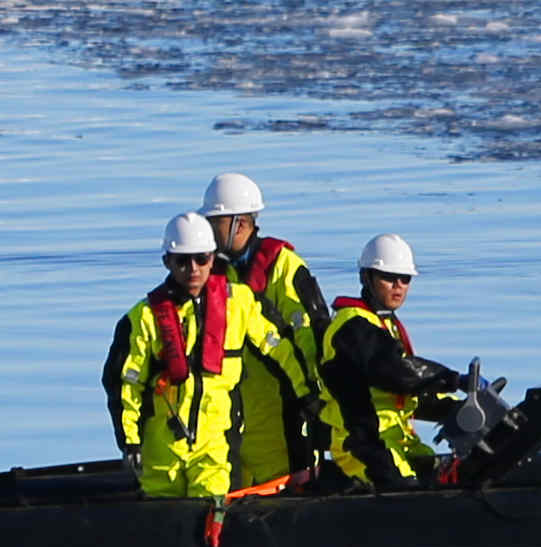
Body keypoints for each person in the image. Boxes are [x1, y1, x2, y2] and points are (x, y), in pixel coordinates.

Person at [108, 215, 320, 505]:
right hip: (161, 450)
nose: (192, 269)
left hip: (214, 445)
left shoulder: (240, 303)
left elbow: (280, 350)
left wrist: (307, 395)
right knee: (162, 519)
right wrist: (129, 440)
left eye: (200, 259)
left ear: (212, 259)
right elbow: (125, 385)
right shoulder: (143, 318)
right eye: (183, 261)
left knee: (212, 512)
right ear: (167, 262)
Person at [199, 172, 332, 490]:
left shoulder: (283, 267)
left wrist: (314, 399)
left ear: (239, 223)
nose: (209, 233)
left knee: (282, 485)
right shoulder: (212, 272)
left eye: (215, 223)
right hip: (235, 409)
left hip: (282, 408)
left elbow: (310, 337)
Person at [321, 233, 464, 485]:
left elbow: (409, 393)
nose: (398, 285)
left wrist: (454, 409)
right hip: (364, 444)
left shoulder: (385, 323)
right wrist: (453, 379)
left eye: (405, 279)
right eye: (388, 277)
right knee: (408, 490)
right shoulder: (352, 325)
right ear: (367, 277)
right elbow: (397, 373)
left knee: (441, 473)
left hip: (397, 439)